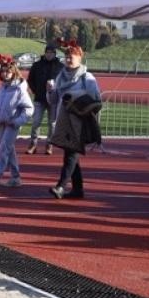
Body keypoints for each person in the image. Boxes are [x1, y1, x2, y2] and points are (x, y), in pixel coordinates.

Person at [47, 45, 102, 199]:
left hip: (80, 122)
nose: (69, 59)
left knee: (71, 155)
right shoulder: (60, 77)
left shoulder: (87, 78)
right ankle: (78, 190)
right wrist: (50, 91)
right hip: (64, 122)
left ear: (80, 58)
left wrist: (78, 102)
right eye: (67, 56)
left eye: (72, 56)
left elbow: (96, 100)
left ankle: (61, 186)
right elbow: (53, 101)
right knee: (71, 155)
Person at [0, 58, 34, 189]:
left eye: (8, 71)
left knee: (3, 149)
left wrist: (17, 121)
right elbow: (1, 106)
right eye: (3, 71)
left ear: (14, 73)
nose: (5, 74)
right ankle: (15, 177)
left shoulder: (19, 89)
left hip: (12, 125)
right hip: (1, 124)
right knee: (9, 150)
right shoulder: (3, 88)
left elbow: (29, 108)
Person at [26, 44, 62, 154]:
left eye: (52, 52)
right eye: (48, 52)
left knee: (52, 124)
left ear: (55, 54)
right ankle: (33, 144)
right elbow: (30, 79)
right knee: (36, 122)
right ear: (45, 53)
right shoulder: (37, 65)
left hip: (54, 100)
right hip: (39, 98)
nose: (49, 54)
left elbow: (63, 82)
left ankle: (49, 144)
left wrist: (56, 89)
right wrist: (35, 90)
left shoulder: (60, 67)